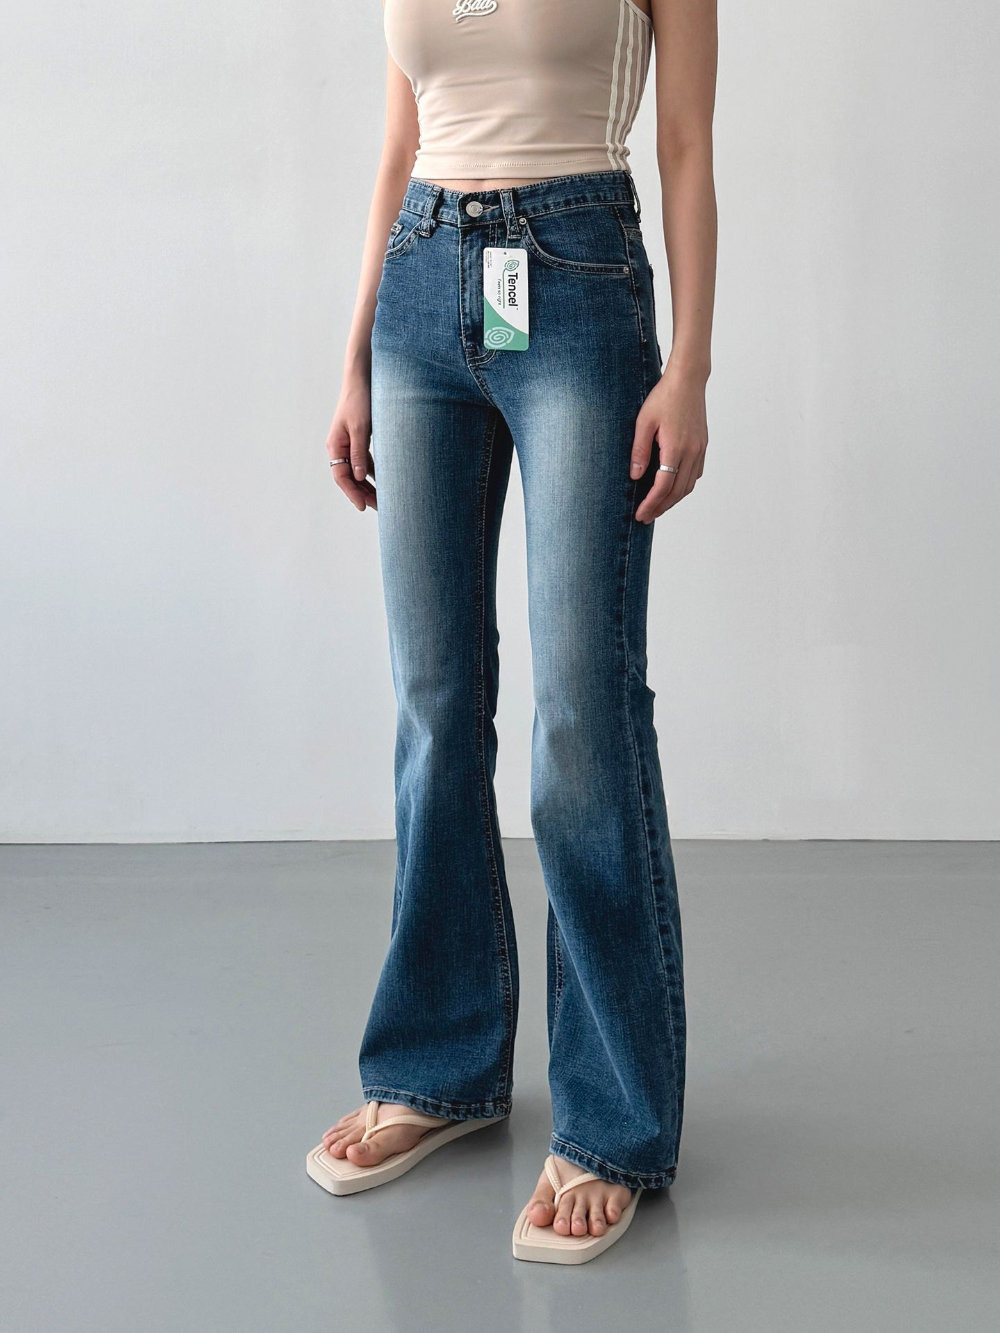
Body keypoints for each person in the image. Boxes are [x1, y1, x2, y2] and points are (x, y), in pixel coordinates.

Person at [306, 0, 717, 1264]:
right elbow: (400, 144)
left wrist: (690, 368)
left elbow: (686, 144)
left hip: (579, 281)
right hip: (422, 285)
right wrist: (354, 356)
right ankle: (438, 1068)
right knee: (433, 705)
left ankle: (612, 1123)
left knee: (583, 713)